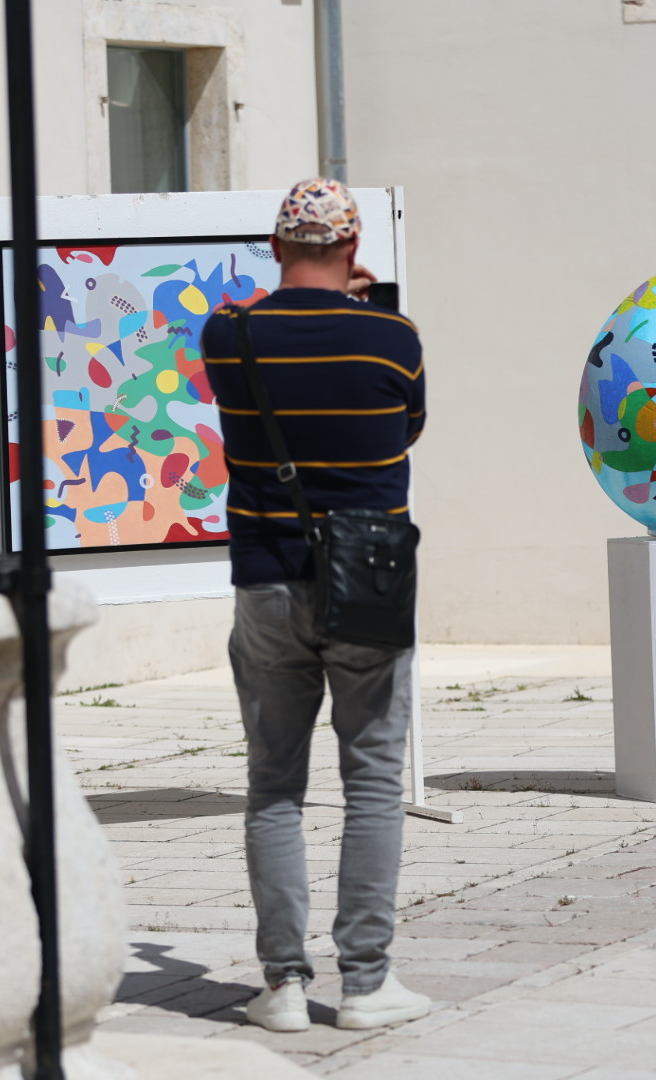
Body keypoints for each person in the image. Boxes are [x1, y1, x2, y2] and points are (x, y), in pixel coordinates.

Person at [200, 178, 430, 1032]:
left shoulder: (229, 335)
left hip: (265, 575)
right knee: (371, 783)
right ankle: (366, 985)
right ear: (353, 248)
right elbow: (405, 428)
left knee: (274, 788)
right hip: (368, 575)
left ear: (274, 247)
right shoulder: (393, 337)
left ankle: (284, 987)